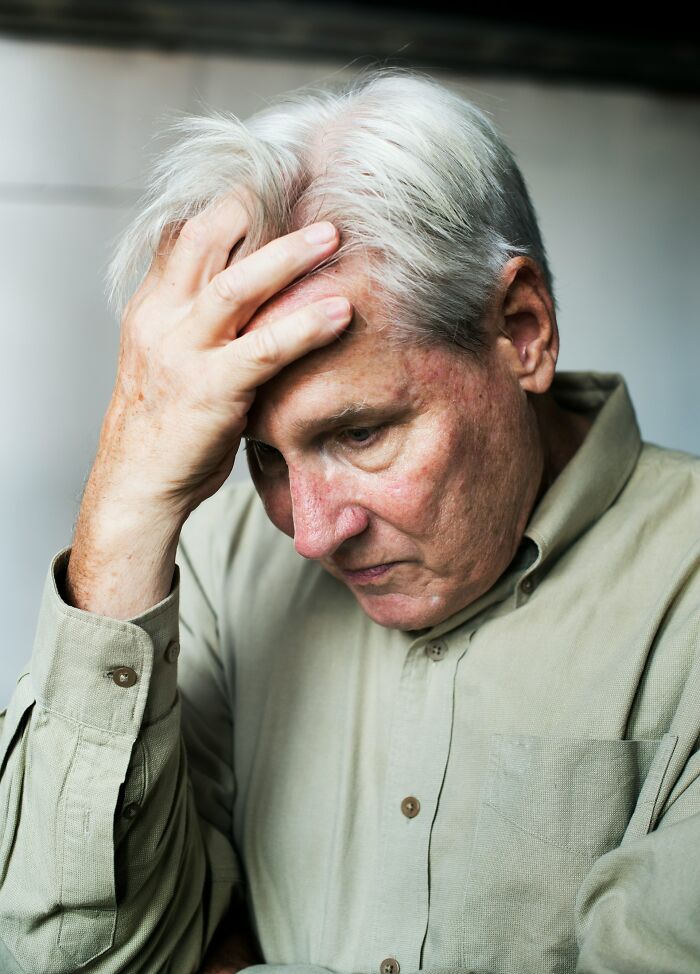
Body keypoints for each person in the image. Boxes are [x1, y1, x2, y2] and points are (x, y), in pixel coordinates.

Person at [1, 67, 699, 974]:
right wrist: (128, 500)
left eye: (360, 432)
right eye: (263, 456)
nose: (310, 533)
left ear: (522, 329)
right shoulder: (212, 560)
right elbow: (65, 956)